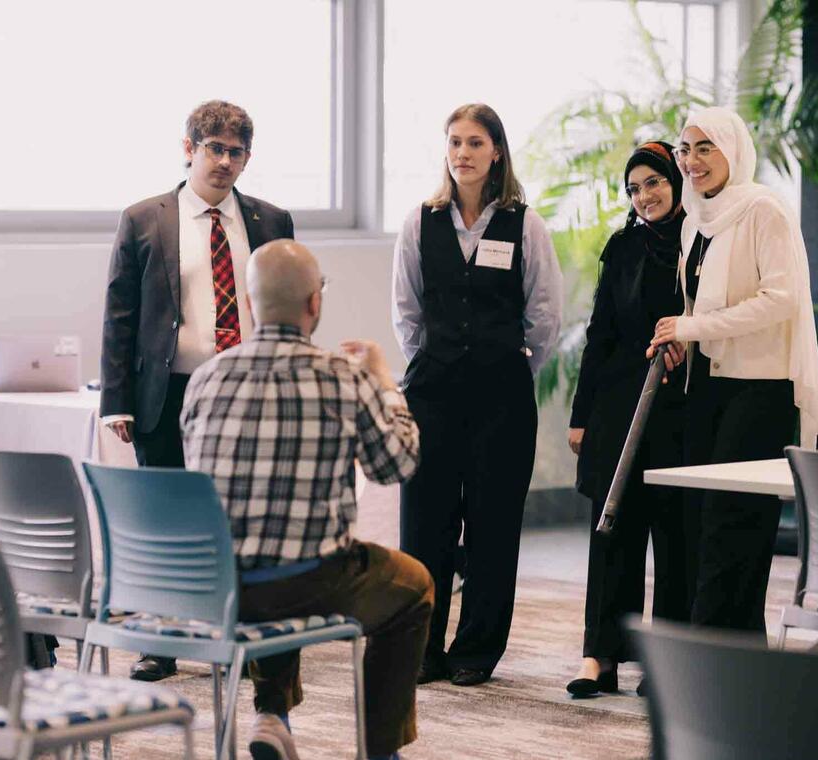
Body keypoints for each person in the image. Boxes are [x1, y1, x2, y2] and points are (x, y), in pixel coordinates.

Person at [181, 239, 433, 760]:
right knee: (414, 587)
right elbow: (398, 465)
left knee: (266, 547)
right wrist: (385, 382)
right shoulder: (342, 377)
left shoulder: (205, 379)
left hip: (217, 585)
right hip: (308, 584)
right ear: (314, 302)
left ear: (249, 303)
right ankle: (379, 750)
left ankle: (272, 713)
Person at [99, 100, 294, 681]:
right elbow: (120, 315)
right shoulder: (144, 219)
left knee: (240, 516)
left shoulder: (271, 221)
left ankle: (239, 635)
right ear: (189, 149)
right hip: (169, 391)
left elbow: (285, 307)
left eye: (237, 152)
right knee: (165, 519)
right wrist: (116, 401)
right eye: (215, 148)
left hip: (246, 390)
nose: (225, 161)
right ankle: (161, 642)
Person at [392, 103, 563, 687]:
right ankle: (423, 649)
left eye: (474, 142)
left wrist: (507, 366)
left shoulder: (525, 224)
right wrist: (440, 360)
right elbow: (407, 313)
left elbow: (544, 317)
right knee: (424, 526)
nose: (462, 153)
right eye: (454, 142)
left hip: (501, 399)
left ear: (497, 152)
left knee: (493, 526)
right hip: (432, 396)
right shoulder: (419, 222)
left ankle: (475, 651)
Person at [649, 106, 818, 634]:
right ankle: (736, 654)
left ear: (733, 150)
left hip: (759, 389)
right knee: (701, 523)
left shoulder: (763, 210)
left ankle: (711, 657)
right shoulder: (695, 220)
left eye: (706, 148)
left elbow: (780, 298)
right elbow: (699, 306)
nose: (692, 161)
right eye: (685, 149)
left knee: (734, 526)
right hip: (707, 385)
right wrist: (681, 340)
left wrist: (693, 327)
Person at [565, 142, 689, 698]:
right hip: (618, 404)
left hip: (677, 405)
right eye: (634, 188)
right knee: (611, 531)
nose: (644, 196)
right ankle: (599, 656)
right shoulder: (622, 246)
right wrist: (581, 415)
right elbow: (600, 335)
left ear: (675, 181)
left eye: (654, 182)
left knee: (673, 534)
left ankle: (664, 662)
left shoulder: (699, 241)